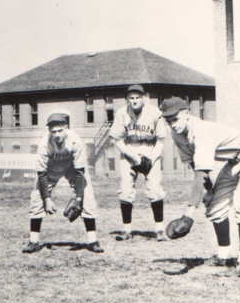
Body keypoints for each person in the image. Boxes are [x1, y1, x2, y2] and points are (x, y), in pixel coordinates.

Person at [162, 97, 240, 277]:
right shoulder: (177, 134)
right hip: (234, 160)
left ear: (187, 113)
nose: (173, 124)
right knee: (215, 205)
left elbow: (201, 172)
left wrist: (189, 214)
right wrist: (210, 190)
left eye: (176, 119)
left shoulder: (201, 130)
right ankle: (224, 256)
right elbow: (195, 165)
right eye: (169, 121)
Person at [22, 113, 104, 254]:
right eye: (54, 132)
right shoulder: (44, 143)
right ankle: (33, 242)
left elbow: (80, 172)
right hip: (52, 168)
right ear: (49, 131)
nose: (57, 135)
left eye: (60, 130)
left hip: (72, 168)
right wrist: (47, 199)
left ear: (66, 127)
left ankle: (93, 241)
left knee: (87, 197)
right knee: (36, 198)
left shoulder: (75, 141)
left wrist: (78, 199)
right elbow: (41, 174)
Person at [109, 85, 168, 241]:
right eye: (131, 98)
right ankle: (127, 230)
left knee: (155, 190)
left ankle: (160, 230)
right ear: (127, 100)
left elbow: (161, 140)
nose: (134, 101)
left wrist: (152, 158)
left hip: (150, 148)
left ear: (144, 98)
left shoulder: (155, 112)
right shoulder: (121, 113)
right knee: (125, 190)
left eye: (138, 97)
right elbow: (117, 139)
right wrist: (132, 155)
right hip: (129, 149)